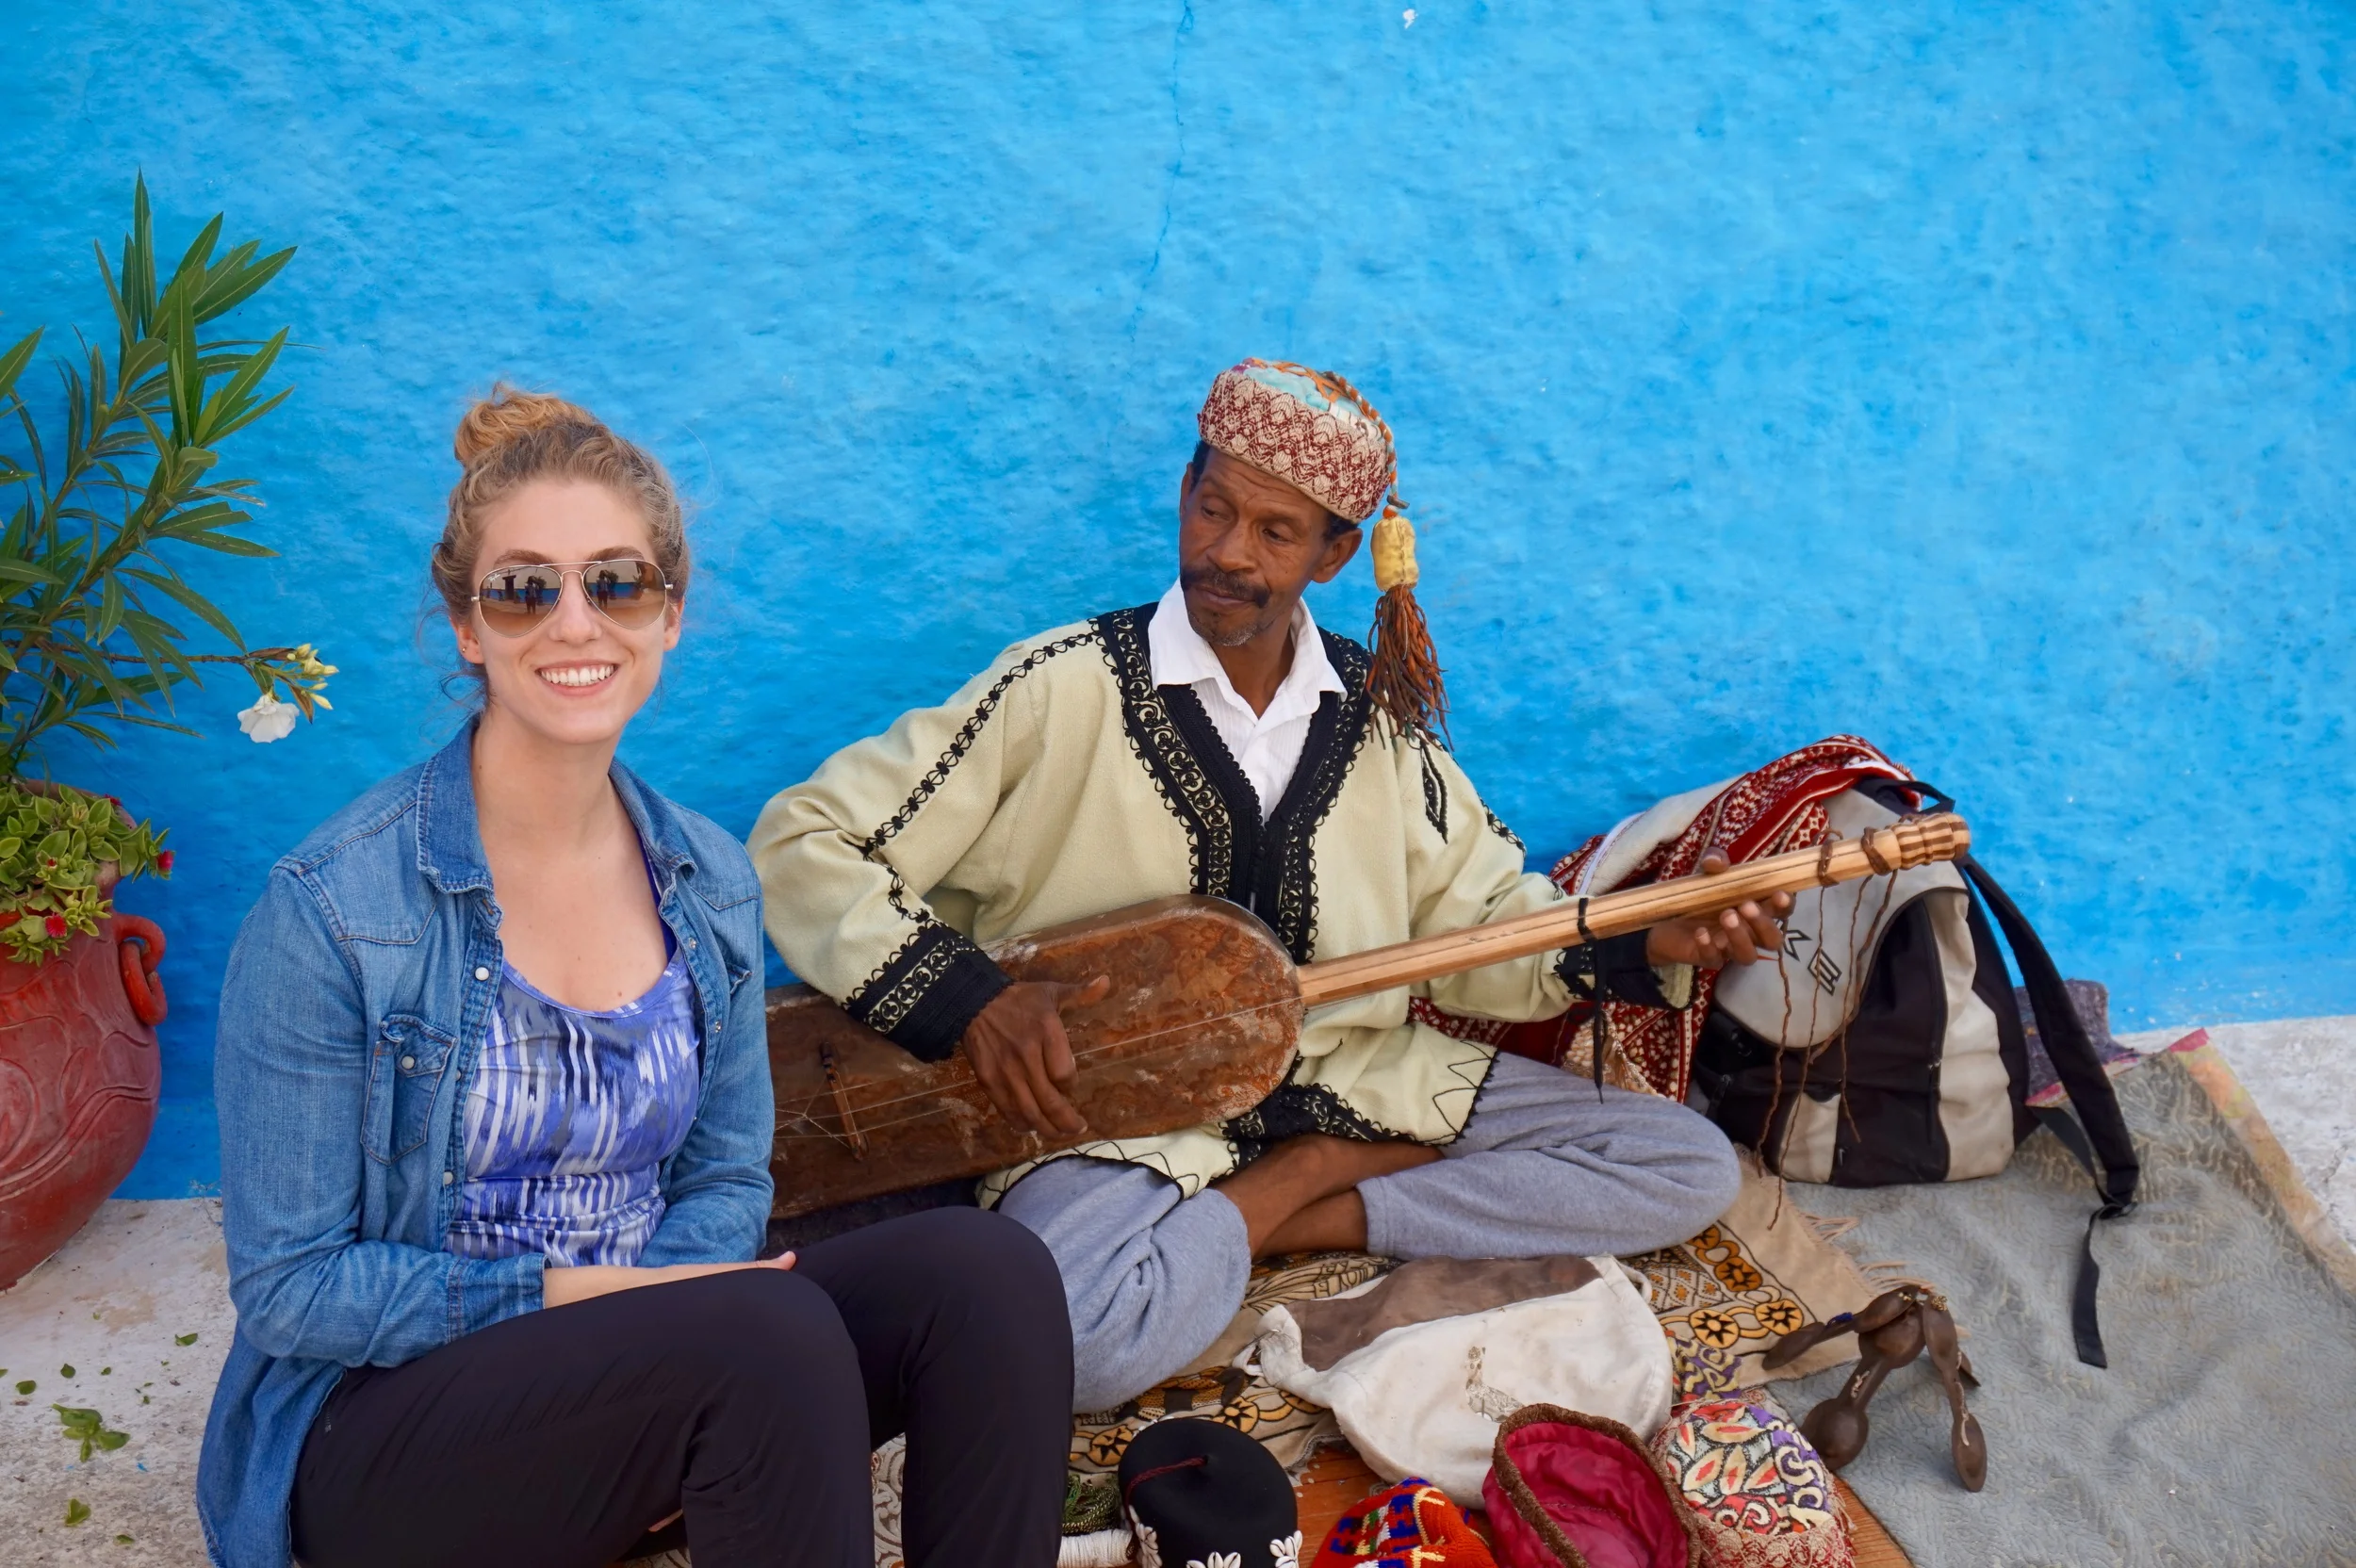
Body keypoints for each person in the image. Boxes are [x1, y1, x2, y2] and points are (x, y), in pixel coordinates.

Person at [749, 359, 1790, 1412]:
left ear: (1339, 553)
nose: (1227, 553)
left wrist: (1656, 938)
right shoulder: (1057, 687)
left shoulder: (1381, 721)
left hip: (1354, 1073)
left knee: (1682, 1164)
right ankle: (1310, 1181)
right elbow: (804, 839)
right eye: (1211, 508)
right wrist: (971, 1001)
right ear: (1185, 493)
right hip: (1118, 1107)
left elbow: (1485, 928)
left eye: (1276, 532)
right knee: (1073, 1342)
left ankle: (1282, 1215)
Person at [196, 389, 1072, 1568]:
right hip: (386, 1440)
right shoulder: (337, 910)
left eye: (615, 583)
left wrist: (665, 1310)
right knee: (764, 1333)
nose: (574, 622)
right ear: (466, 624)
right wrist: (594, 1298)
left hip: (666, 1366)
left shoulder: (706, 879)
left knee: (986, 1271)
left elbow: (722, 1172)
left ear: (669, 614)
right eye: (524, 588)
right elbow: (295, 1289)